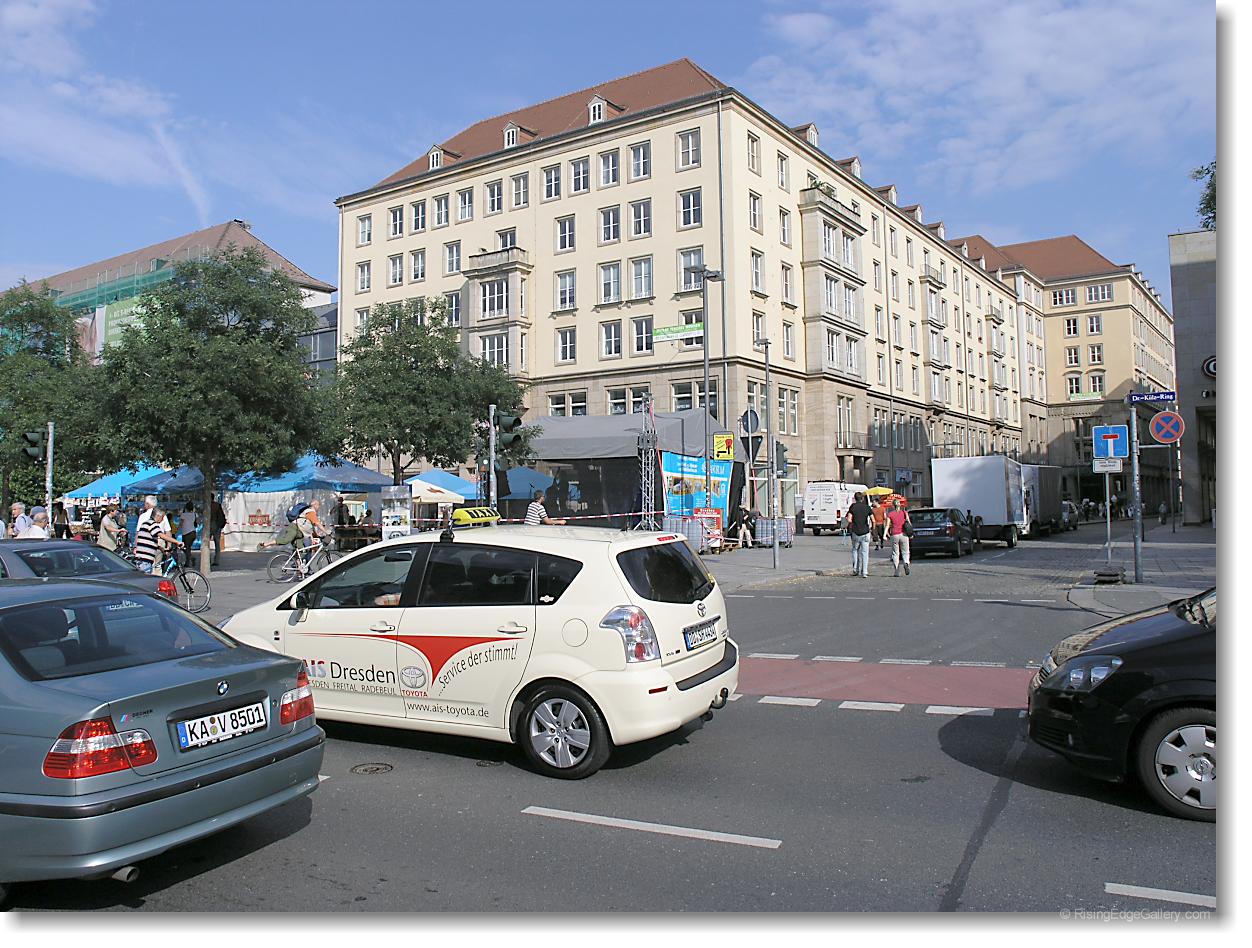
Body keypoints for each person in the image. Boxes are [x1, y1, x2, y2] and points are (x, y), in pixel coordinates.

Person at [133, 505, 181, 573]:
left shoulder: (146, 523)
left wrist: (160, 548)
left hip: (142, 558)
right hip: (145, 559)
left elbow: (148, 540)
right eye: (162, 517)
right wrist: (177, 542)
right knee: (145, 578)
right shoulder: (152, 524)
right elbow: (161, 535)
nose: (163, 520)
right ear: (158, 516)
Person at [844, 491, 874, 578]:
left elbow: (849, 519)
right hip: (865, 532)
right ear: (862, 498)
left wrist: (853, 522)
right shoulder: (867, 507)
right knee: (865, 552)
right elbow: (873, 520)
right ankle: (864, 572)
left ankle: (855, 569)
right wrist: (872, 529)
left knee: (855, 550)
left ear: (855, 498)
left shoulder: (853, 507)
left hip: (856, 532)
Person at [885, 498, 912, 577]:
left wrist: (884, 534)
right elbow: (909, 524)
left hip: (894, 535)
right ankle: (906, 563)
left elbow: (887, 525)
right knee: (905, 552)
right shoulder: (904, 513)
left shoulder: (890, 514)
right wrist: (911, 533)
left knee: (895, 553)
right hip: (904, 534)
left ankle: (896, 572)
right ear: (900, 505)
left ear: (893, 506)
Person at [178, 502, 200, 566]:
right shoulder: (195, 514)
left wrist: (177, 529)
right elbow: (198, 522)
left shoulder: (184, 515)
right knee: (188, 548)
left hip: (186, 533)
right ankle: (191, 558)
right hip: (193, 532)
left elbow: (181, 524)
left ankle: (188, 561)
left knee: (185, 548)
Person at [210, 497, 226, 566]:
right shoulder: (217, 505)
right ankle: (216, 560)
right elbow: (222, 515)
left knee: (206, 543)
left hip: (209, 524)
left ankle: (207, 559)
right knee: (217, 543)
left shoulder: (207, 505)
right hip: (217, 525)